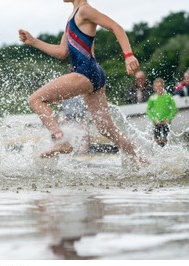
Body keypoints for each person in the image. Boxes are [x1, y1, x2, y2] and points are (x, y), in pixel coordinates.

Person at [18, 0, 142, 161]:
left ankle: (60, 140)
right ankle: (142, 161)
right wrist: (34, 42)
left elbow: (115, 27)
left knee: (36, 99)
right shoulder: (72, 17)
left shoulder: (85, 10)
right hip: (95, 73)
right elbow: (62, 52)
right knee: (105, 128)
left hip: (85, 72)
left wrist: (128, 55)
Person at [146, 78, 178, 147]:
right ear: (154, 88)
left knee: (166, 139)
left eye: (160, 86)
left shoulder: (168, 96)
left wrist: (168, 118)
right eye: (156, 86)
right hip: (156, 122)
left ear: (163, 86)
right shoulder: (152, 98)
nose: (159, 88)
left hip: (166, 122)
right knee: (156, 140)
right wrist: (154, 119)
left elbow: (174, 109)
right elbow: (148, 110)